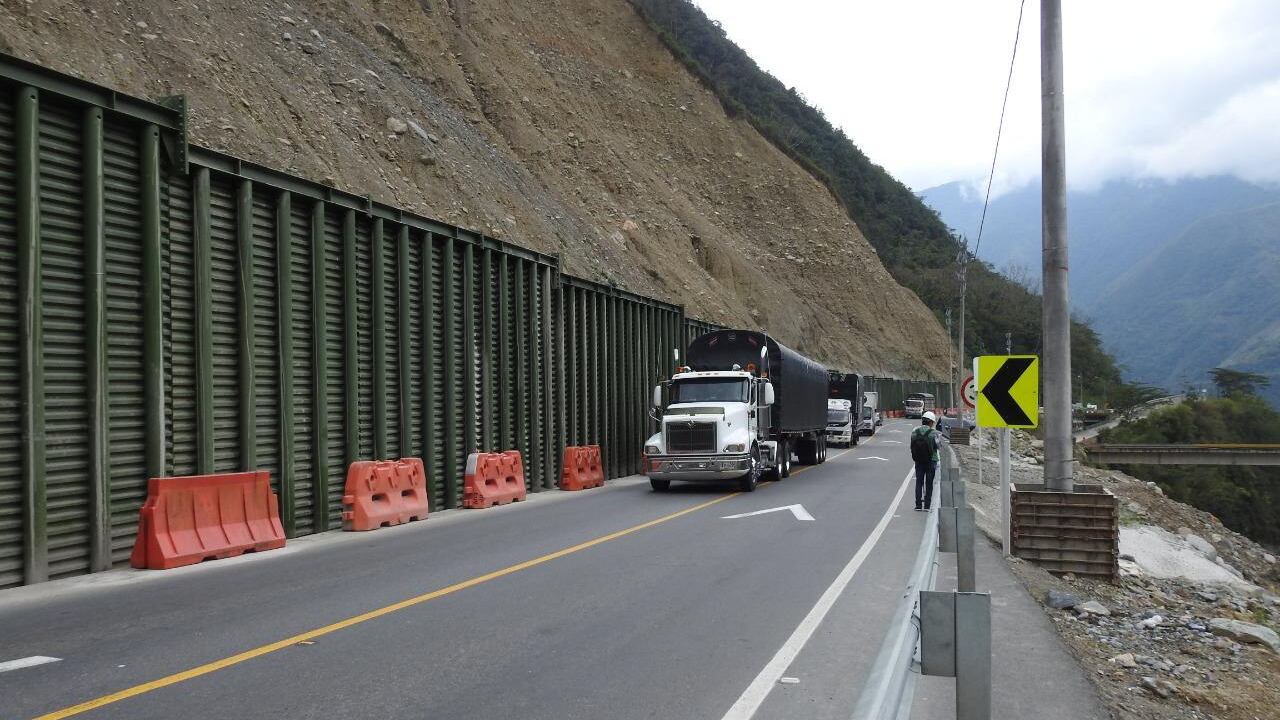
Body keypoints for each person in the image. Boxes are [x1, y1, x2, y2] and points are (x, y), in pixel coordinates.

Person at [910, 411, 941, 510]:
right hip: (931, 461)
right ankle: (927, 505)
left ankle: (918, 505)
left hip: (918, 461)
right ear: (931, 422)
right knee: (929, 483)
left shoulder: (914, 432)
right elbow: (938, 446)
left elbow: (912, 445)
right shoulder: (934, 433)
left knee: (919, 482)